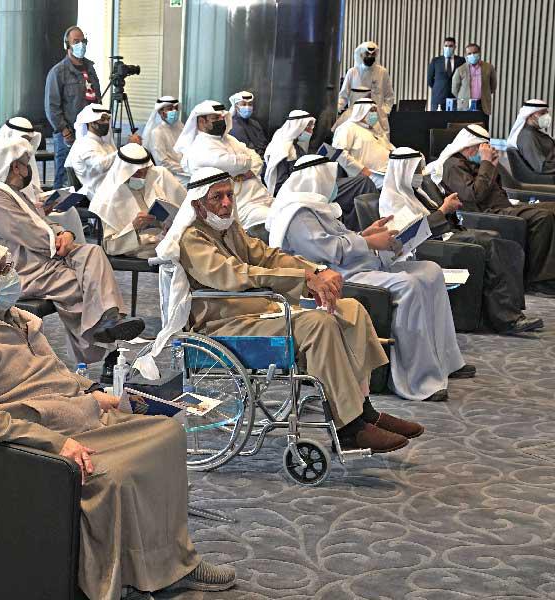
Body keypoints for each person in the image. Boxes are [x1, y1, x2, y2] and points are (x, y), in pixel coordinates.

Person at [0, 237, 236, 600]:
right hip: (36, 440)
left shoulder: (14, 320)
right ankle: (117, 580)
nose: (10, 278)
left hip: (73, 413)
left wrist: (92, 389)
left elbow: (53, 371)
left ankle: (172, 561)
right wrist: (57, 444)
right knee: (117, 474)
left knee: (167, 434)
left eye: (7, 268)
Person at [136, 167, 424, 452]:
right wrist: (303, 280)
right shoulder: (192, 239)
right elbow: (233, 275)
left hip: (258, 312)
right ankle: (349, 428)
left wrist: (315, 270)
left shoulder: (228, 228)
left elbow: (268, 256)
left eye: (229, 195)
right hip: (223, 324)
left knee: (351, 310)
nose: (226, 203)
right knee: (319, 324)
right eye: (217, 197)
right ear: (198, 204)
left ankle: (363, 408)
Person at [267, 154, 474, 402]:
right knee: (408, 286)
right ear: (317, 179)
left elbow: (341, 239)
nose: (334, 185)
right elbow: (328, 250)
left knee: (431, 271)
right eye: (331, 178)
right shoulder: (298, 215)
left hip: (355, 266)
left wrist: (366, 234)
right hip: (336, 277)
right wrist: (368, 242)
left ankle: (447, 360)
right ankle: (416, 378)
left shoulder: (317, 209)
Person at [0, 137, 145, 367]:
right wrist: (58, 239)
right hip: (16, 268)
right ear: (15, 167)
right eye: (26, 164)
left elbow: (42, 222)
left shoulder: (12, 192)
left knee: (94, 252)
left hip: (38, 259)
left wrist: (66, 233)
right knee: (80, 283)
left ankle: (109, 319)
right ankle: (102, 344)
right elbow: (29, 233)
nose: (29, 170)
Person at [379, 147, 542, 334]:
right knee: (491, 244)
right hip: (428, 246)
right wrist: (443, 210)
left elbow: (434, 216)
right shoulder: (392, 200)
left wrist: (445, 206)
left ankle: (509, 311)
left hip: (445, 235)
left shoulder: (417, 192)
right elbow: (411, 235)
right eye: (415, 170)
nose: (419, 174)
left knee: (504, 244)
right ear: (402, 170)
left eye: (419, 169)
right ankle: (508, 320)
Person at [430, 124, 555, 297]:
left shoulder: (473, 163)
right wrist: (486, 163)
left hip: (505, 206)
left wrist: (492, 166)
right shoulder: (452, 166)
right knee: (543, 217)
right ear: (469, 147)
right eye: (481, 148)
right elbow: (474, 195)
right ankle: (538, 280)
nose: (484, 152)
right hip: (488, 213)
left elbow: (495, 189)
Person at [0, 116, 86, 243]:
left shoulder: (24, 158)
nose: (25, 145)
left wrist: (42, 199)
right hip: (18, 224)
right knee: (65, 223)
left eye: (29, 141)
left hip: (31, 211)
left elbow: (31, 189)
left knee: (69, 211)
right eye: (23, 139)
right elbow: (14, 220)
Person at [264, 109, 377, 229]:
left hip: (317, 184)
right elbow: (280, 185)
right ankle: (372, 225)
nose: (311, 131)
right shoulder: (282, 151)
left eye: (311, 127)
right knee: (362, 183)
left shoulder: (296, 147)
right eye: (307, 128)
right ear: (297, 128)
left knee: (360, 182)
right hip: (307, 191)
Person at [175, 100, 272, 232]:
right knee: (276, 220)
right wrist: (245, 163)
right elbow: (238, 163)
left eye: (222, 117)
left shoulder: (230, 139)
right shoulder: (199, 148)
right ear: (202, 122)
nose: (221, 120)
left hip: (261, 196)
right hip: (240, 205)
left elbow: (256, 160)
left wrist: (246, 170)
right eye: (215, 118)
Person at [91, 143, 186, 258]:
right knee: (178, 251)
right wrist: (134, 226)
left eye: (145, 170)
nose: (142, 176)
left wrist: (170, 225)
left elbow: (184, 208)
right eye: (137, 172)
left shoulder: (157, 175)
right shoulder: (109, 196)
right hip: (140, 245)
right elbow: (110, 246)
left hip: (167, 236)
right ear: (125, 171)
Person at [45, 26, 102, 189]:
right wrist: (65, 131)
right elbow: (52, 107)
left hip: (90, 134)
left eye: (83, 41)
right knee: (65, 179)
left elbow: (96, 98)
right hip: (69, 135)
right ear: (67, 45)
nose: (80, 45)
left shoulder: (90, 69)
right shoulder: (58, 72)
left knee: (88, 179)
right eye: (76, 41)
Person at [65, 104, 135, 199]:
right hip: (98, 196)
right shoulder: (83, 144)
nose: (106, 122)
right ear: (91, 123)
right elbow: (100, 166)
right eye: (102, 119)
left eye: (108, 119)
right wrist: (126, 148)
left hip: (113, 189)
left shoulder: (105, 144)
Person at [332, 99, 394, 189]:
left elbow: (389, 147)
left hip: (385, 172)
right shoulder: (347, 128)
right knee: (393, 186)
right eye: (371, 111)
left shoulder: (374, 129)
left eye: (375, 111)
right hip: (367, 175)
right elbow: (340, 153)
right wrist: (362, 169)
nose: (374, 114)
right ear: (361, 111)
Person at [338, 41, 395, 133]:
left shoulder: (382, 73)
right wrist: (337, 108)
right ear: (361, 55)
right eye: (367, 54)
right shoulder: (352, 72)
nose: (370, 57)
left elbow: (389, 96)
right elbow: (343, 96)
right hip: (355, 117)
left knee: (378, 140)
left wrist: (384, 112)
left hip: (376, 117)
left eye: (372, 54)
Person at [141, 95, 190, 185]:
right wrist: (184, 169)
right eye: (170, 109)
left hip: (185, 170)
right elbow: (162, 162)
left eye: (176, 108)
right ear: (161, 112)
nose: (174, 111)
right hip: (170, 175)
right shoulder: (156, 132)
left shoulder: (180, 127)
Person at [507, 99, 555, 182]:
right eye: (542, 113)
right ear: (530, 116)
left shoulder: (534, 132)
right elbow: (542, 167)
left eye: (547, 113)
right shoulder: (527, 137)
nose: (547, 116)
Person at [451, 43, 497, 116]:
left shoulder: (489, 68)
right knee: (465, 123)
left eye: (475, 52)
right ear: (466, 55)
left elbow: (493, 86)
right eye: (469, 53)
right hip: (465, 105)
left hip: (483, 105)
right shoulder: (460, 70)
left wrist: (485, 94)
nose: (472, 55)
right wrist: (464, 97)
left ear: (479, 53)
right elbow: (454, 89)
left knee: (482, 123)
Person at [427, 37, 465, 111]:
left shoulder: (461, 61)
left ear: (455, 47)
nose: (448, 48)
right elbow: (430, 80)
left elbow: (463, 79)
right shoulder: (436, 61)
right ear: (443, 47)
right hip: (438, 98)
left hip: (455, 98)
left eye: (451, 46)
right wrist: (439, 88)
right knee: (436, 118)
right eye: (446, 46)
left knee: (454, 118)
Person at [228, 91, 268, 158]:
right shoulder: (232, 125)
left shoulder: (255, 123)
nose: (247, 107)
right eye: (243, 104)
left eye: (250, 104)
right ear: (236, 107)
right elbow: (246, 149)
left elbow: (263, 143)